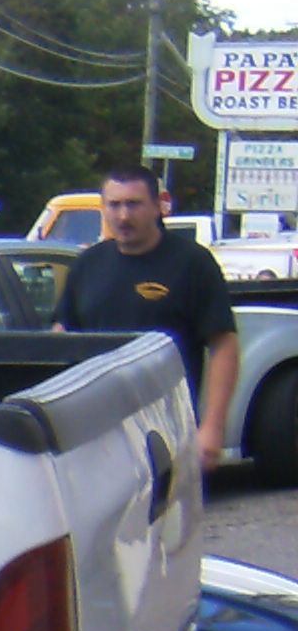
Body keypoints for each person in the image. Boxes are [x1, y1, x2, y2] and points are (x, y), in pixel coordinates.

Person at [58, 163, 240, 459]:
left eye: (134, 204)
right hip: (96, 428)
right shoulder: (87, 265)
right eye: (114, 205)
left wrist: (213, 427)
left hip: (167, 427)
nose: (124, 215)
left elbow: (224, 346)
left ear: (158, 206)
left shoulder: (192, 263)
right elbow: (62, 336)